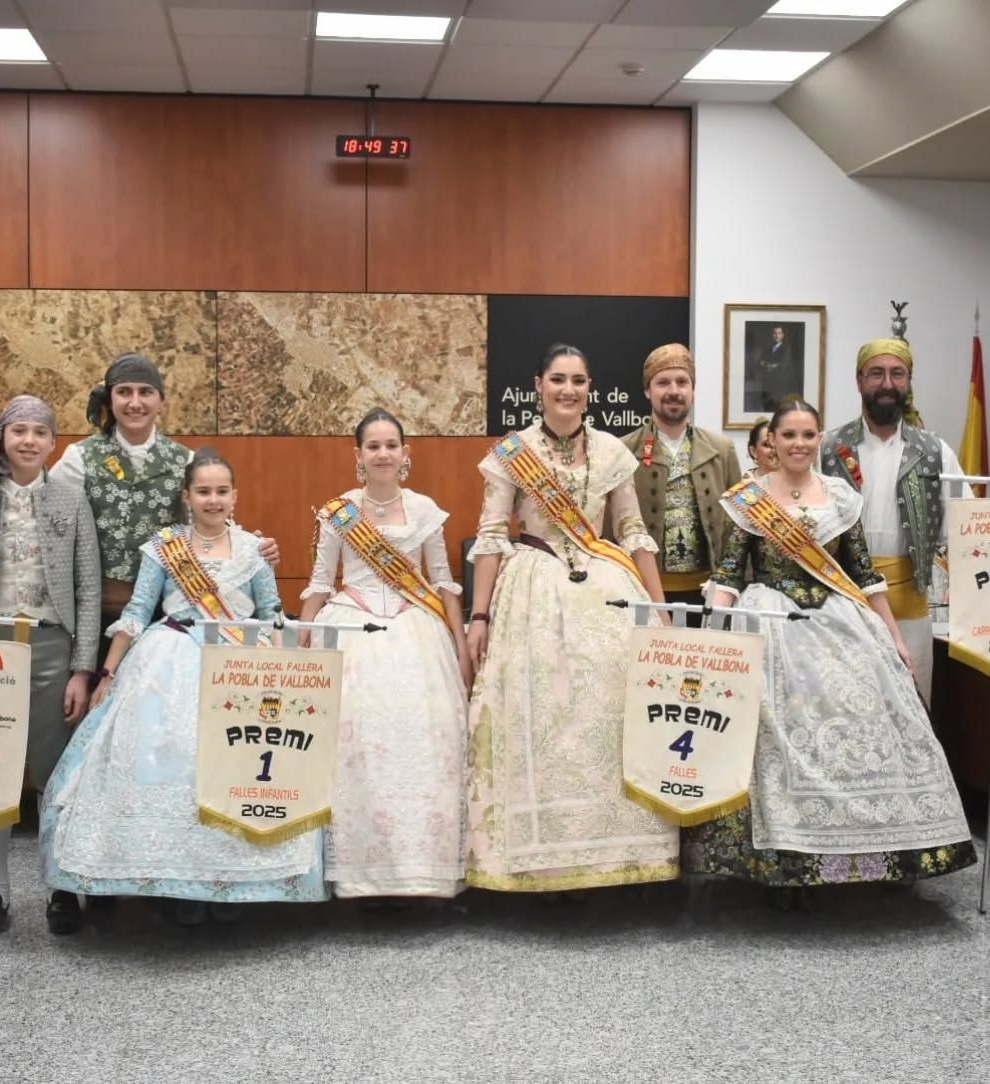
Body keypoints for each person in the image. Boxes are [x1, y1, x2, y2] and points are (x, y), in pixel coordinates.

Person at [685, 401, 975, 896]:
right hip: (771, 621)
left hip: (840, 620)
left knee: (866, 718)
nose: (799, 444)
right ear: (771, 441)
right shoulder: (749, 498)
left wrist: (894, 638)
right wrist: (714, 626)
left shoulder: (841, 497)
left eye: (809, 434)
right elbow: (731, 573)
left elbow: (863, 575)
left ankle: (874, 853)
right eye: (789, 435)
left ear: (819, 439)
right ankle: (780, 864)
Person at [42, 449, 326, 923]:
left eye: (221, 491)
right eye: (203, 492)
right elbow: (135, 612)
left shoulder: (255, 549)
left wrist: (289, 671)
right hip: (167, 662)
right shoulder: (164, 546)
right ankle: (177, 889)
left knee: (237, 769)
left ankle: (234, 883)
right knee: (167, 765)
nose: (213, 500)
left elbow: (271, 614)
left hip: (239, 667)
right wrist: (108, 674)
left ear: (234, 496)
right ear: (187, 497)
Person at [465, 343, 678, 893]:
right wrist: (479, 615)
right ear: (537, 385)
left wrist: (658, 612)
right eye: (557, 379)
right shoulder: (513, 453)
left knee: (610, 713)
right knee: (541, 715)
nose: (568, 389)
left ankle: (617, 855)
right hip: (533, 583)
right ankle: (541, 860)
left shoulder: (610, 451)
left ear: (590, 388)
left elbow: (632, 532)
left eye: (578, 380)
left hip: (605, 583)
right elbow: (491, 535)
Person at [0, 352, 279, 662]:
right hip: (89, 613)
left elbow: (211, 525)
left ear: (162, 401)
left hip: (160, 616)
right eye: (124, 392)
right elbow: (38, 517)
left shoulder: (184, 460)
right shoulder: (80, 457)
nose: (135, 402)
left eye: (146, 392)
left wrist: (254, 548)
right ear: (110, 400)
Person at [0, 394, 101, 940]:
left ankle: (59, 885)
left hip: (52, 645)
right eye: (18, 431)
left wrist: (83, 668)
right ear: (1, 438)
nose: (28, 440)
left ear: (54, 443)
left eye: (39, 432)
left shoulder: (72, 497)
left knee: (51, 768)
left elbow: (88, 587)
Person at [296, 409, 469, 899]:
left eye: (391, 444)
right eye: (373, 446)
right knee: (355, 739)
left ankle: (420, 870)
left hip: (417, 630)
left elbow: (442, 583)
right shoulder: (338, 513)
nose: (383, 453)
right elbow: (318, 582)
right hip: (352, 624)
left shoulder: (425, 510)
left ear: (405, 453)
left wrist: (460, 649)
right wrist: (299, 642)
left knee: (426, 734)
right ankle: (357, 873)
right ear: (358, 456)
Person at [818, 336, 960, 704]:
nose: (886, 384)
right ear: (859, 380)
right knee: (846, 704)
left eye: (897, 374)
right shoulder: (828, 449)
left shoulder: (934, 452)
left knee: (911, 705)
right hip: (842, 604)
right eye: (876, 374)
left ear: (909, 381)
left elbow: (962, 530)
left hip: (910, 608)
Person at [617, 343, 740, 626]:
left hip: (709, 593)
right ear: (648, 390)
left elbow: (738, 527)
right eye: (663, 382)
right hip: (642, 591)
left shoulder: (722, 450)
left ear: (693, 390)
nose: (674, 390)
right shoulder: (622, 450)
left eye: (682, 382)